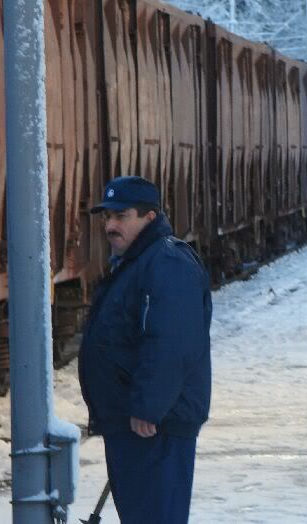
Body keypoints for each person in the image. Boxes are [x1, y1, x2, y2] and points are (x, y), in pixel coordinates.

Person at [78, 176, 212, 523]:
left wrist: (149, 407)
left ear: (149, 218)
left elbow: (172, 342)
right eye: (107, 217)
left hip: (156, 426)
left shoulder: (167, 262)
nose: (110, 226)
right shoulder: (138, 263)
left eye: (121, 217)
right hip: (135, 422)